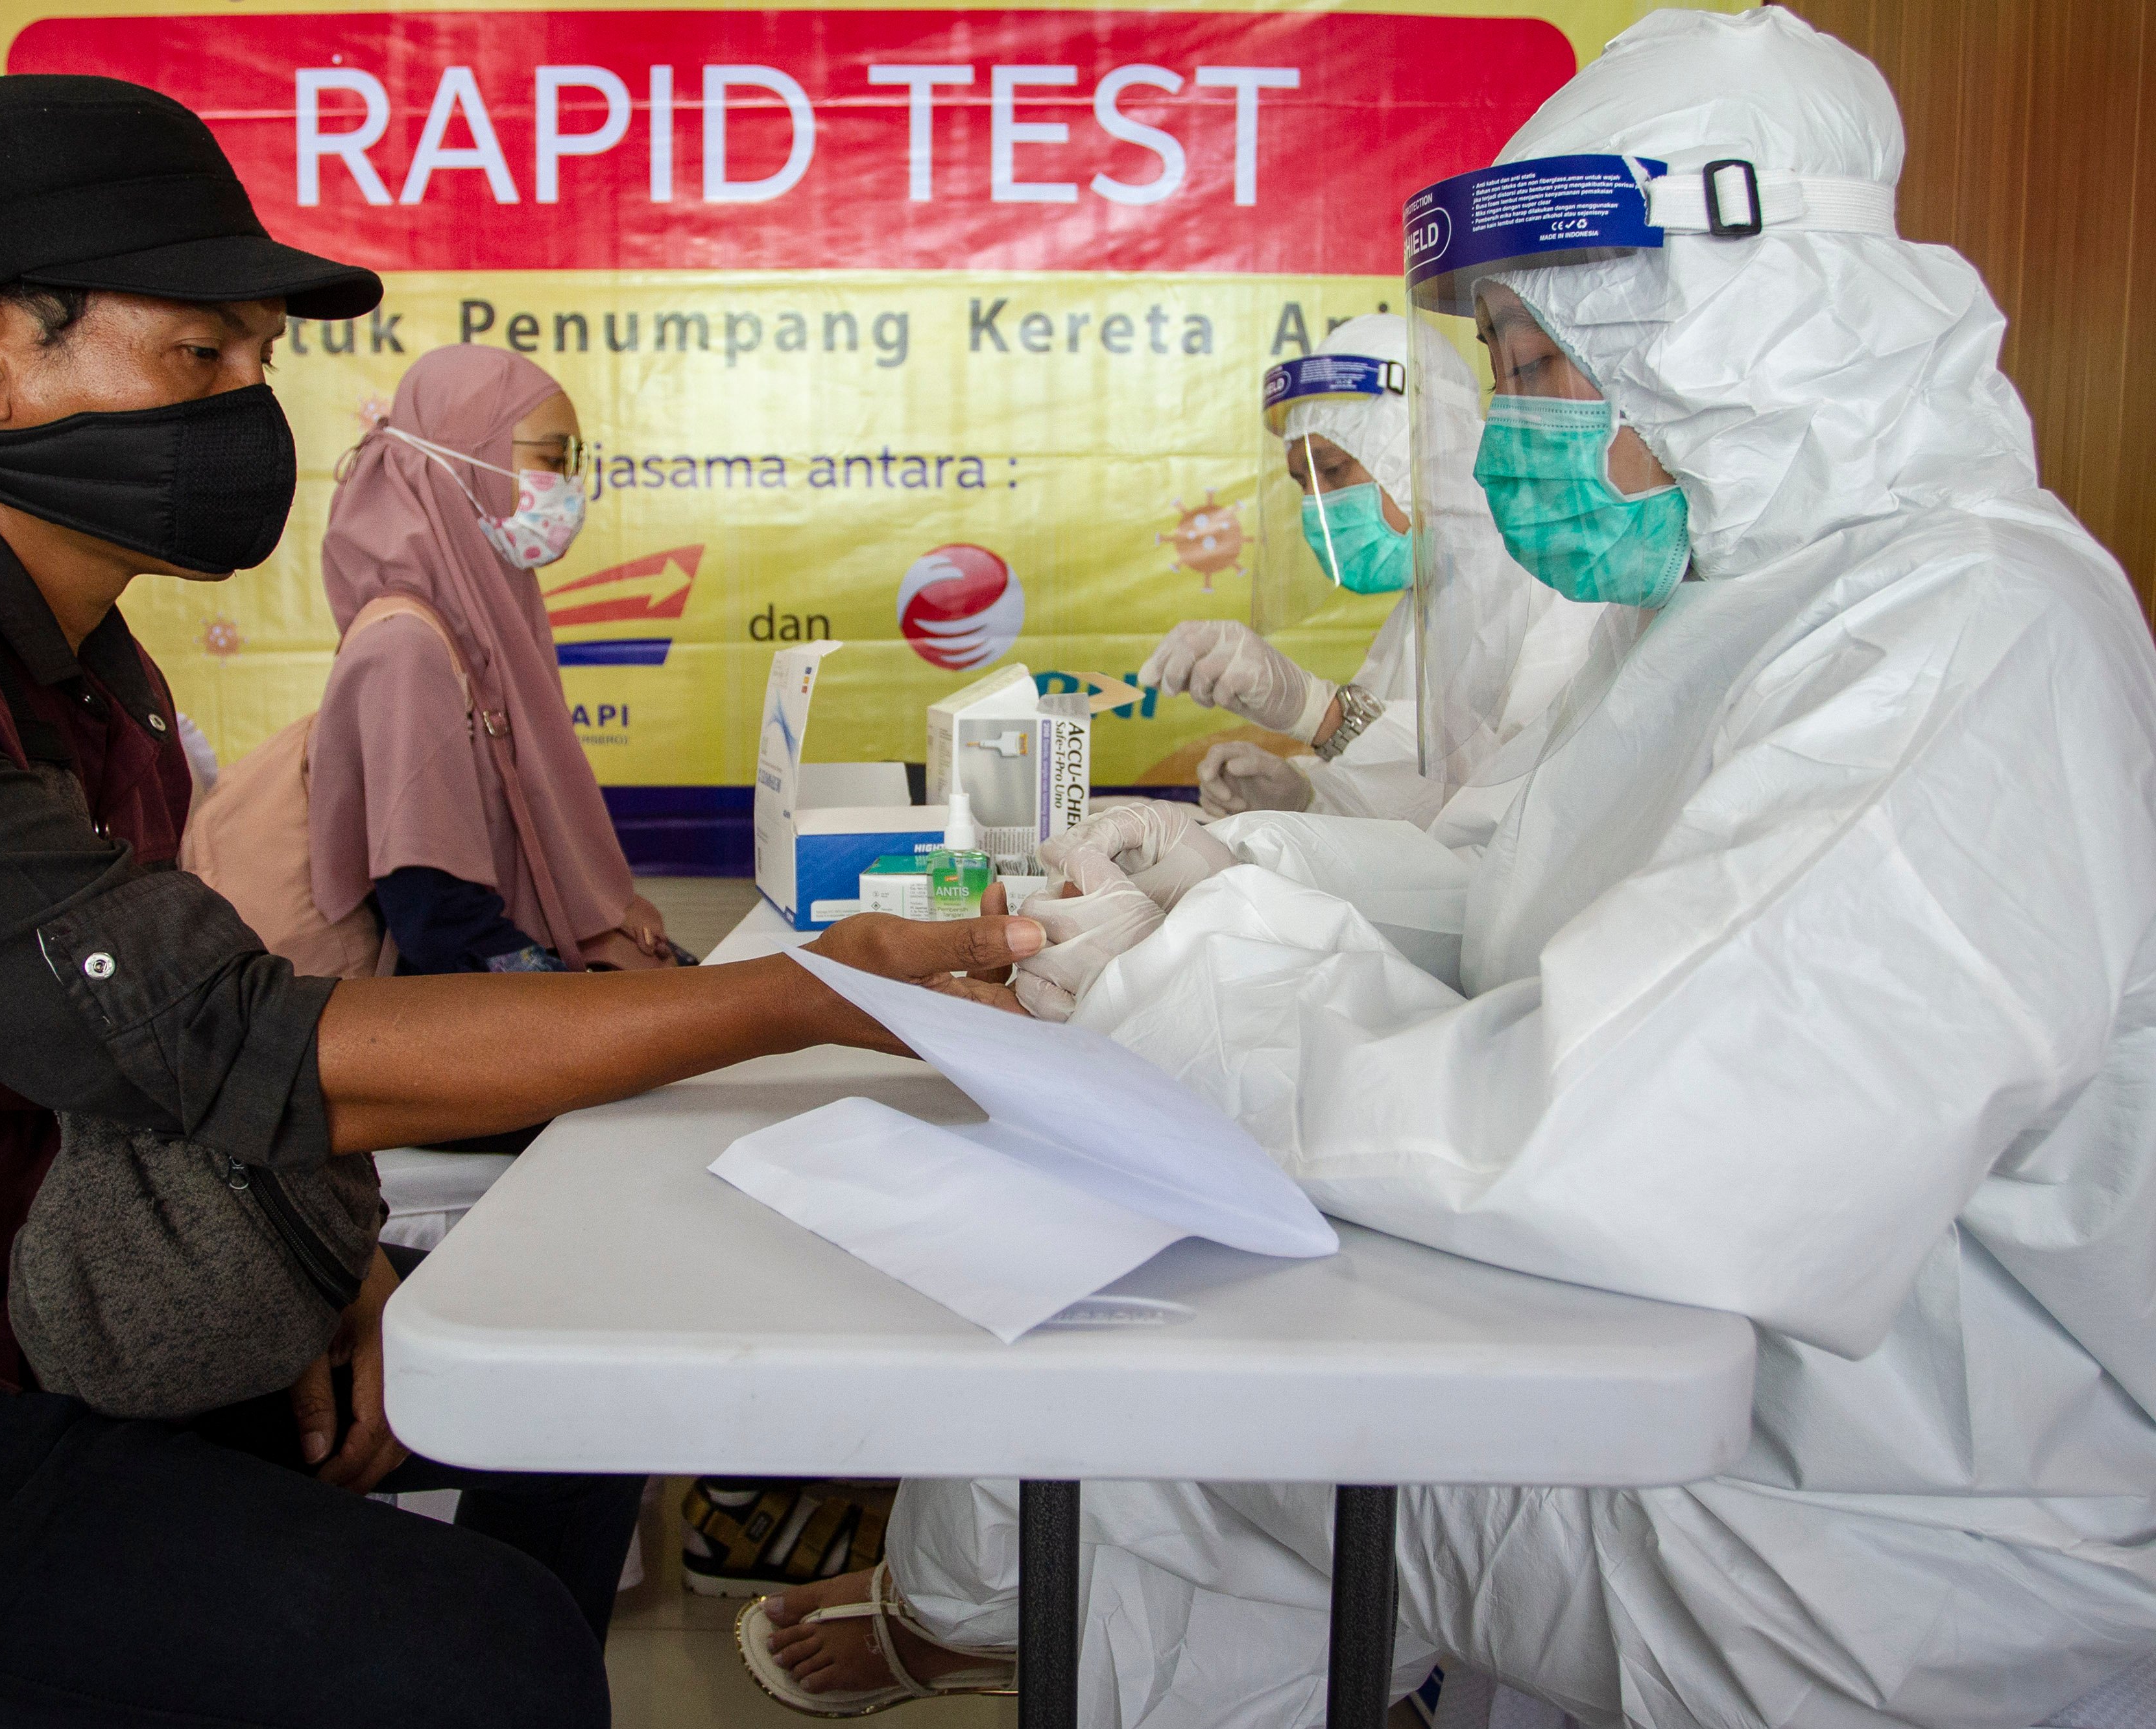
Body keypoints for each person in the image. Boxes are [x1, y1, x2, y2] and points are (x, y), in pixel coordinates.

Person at [0, 76, 1038, 1727]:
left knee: (560, 1401)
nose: (248, 410)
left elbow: (151, 1050)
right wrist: (812, 991)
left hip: (33, 1322)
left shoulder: (90, 679)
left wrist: (325, 1271)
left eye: (259, 360)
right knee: (476, 1655)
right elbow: (223, 1034)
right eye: (198, 356)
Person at [750, 12, 2156, 1728]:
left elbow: (1662, 1149)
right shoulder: (1733, 605)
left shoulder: (1964, 634)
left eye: (1539, 357)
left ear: (1751, 339)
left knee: (1152, 1426)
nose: (1508, 426)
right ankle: (971, 1613)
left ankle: (953, 1617)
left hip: (1893, 1541)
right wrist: (1215, 868)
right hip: (1752, 1429)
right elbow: (1524, 909)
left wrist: (1188, 984)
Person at [1144, 314, 1598, 833]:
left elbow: (1517, 815)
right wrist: (1308, 794)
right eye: (1302, 483)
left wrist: (1325, 714)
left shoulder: (1560, 587)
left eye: (1333, 470)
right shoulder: (1423, 610)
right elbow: (1415, 816)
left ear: (1427, 451)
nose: (1317, 506)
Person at [311, 344, 677, 981]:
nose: (568, 486)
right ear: (468, 459)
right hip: (454, 1032)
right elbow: (437, 921)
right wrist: (600, 1004)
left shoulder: (483, 613)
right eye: (553, 458)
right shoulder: (405, 644)